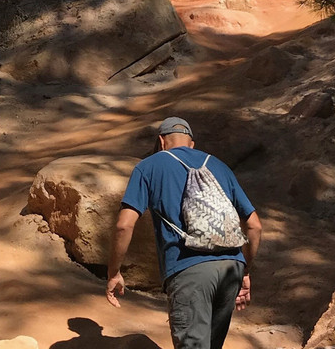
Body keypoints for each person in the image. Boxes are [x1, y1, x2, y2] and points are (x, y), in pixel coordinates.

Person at [106, 117, 262, 349]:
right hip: (232, 268)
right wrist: (245, 270)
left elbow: (124, 225)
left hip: (189, 269)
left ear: (161, 141)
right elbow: (255, 226)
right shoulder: (220, 166)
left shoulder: (148, 166)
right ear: (192, 144)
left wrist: (114, 272)